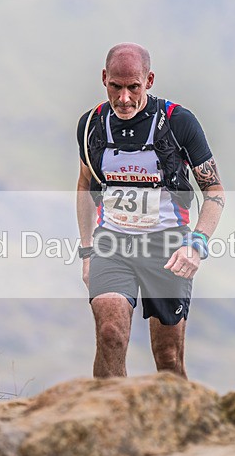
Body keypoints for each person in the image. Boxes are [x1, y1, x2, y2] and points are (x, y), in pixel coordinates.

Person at [76, 42, 225, 379]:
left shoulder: (179, 121)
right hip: (112, 244)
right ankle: (112, 424)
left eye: (134, 87)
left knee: (168, 357)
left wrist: (196, 244)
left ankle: (181, 427)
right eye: (116, 86)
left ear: (150, 80)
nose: (124, 98)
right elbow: (85, 185)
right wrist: (87, 251)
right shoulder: (91, 125)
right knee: (110, 334)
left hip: (168, 248)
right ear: (104, 78)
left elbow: (214, 191)